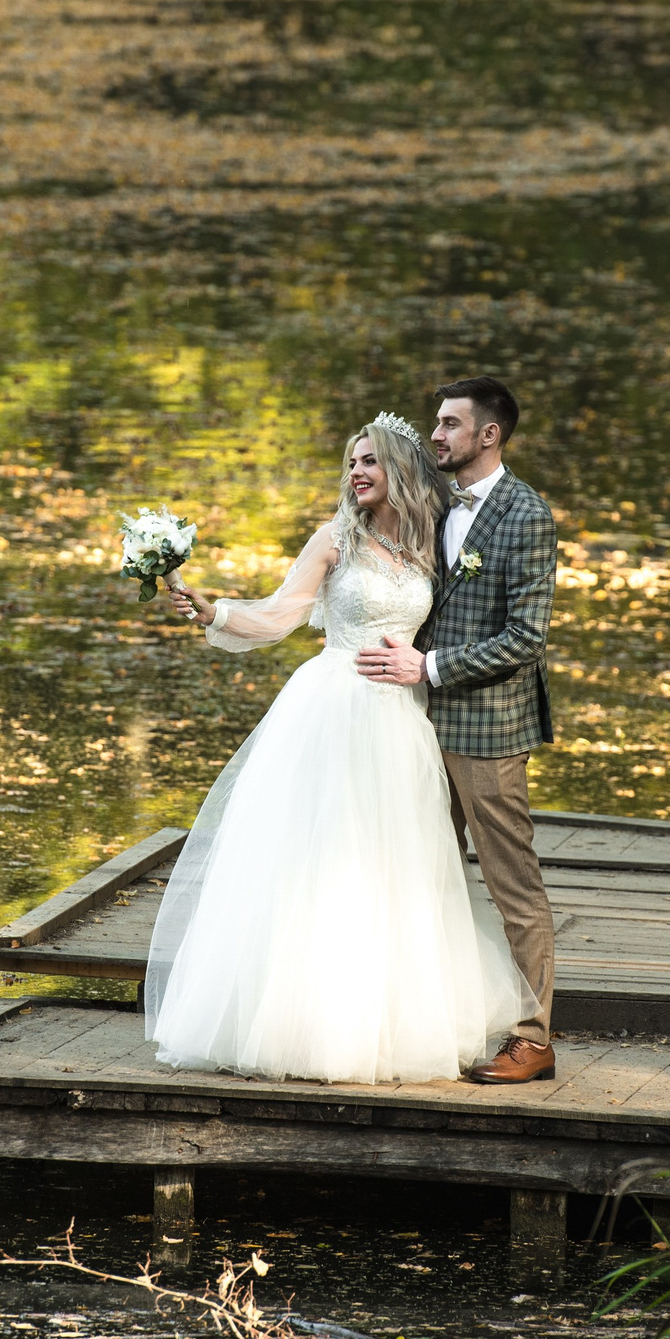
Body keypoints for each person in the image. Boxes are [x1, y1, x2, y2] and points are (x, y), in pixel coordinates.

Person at [148, 414, 536, 1084]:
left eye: (369, 461)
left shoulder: (431, 542)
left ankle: (388, 1025)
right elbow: (280, 613)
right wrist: (215, 611)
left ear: (399, 470)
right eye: (352, 462)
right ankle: (305, 1027)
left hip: (402, 721)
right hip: (331, 711)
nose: (356, 472)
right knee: (319, 860)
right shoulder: (335, 539)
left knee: (394, 865)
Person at [355, 377, 558, 1084]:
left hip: (487, 731)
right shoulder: (435, 503)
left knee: (512, 886)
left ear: (488, 435)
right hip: (412, 726)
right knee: (415, 873)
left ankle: (532, 1039)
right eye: (436, 423)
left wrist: (431, 665)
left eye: (448, 424)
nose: (434, 435)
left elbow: (525, 637)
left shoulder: (526, 514)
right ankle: (414, 1024)